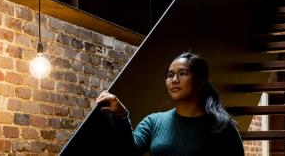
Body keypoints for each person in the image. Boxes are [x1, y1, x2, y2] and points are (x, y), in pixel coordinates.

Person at [96, 52, 244, 155]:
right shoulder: (154, 122)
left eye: (182, 73)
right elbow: (130, 151)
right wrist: (121, 116)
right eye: (170, 75)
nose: (174, 80)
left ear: (200, 81)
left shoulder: (222, 127)